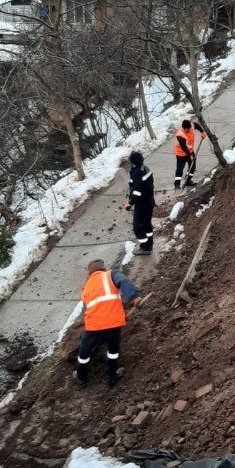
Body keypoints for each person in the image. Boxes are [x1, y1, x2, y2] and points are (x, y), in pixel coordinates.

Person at [73, 259, 140, 389]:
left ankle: (81, 378)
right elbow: (124, 282)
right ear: (103, 268)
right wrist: (134, 297)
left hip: (94, 326)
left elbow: (88, 306)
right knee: (113, 351)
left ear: (90, 273)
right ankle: (111, 377)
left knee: (84, 351)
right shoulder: (110, 274)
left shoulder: (87, 285)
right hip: (114, 323)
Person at [124, 150, 155, 254]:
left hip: (142, 204)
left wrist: (130, 203)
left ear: (133, 162)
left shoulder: (137, 173)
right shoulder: (145, 168)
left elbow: (137, 191)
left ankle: (145, 248)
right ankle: (149, 244)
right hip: (150, 201)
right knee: (147, 224)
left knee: (138, 227)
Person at [173, 119, 206, 189]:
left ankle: (188, 180)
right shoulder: (180, 135)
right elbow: (184, 147)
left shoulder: (191, 126)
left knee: (192, 166)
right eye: (187, 130)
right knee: (180, 169)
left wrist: (202, 132)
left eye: (189, 129)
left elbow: (196, 125)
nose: (188, 130)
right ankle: (177, 185)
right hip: (180, 153)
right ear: (184, 128)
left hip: (190, 151)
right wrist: (190, 156)